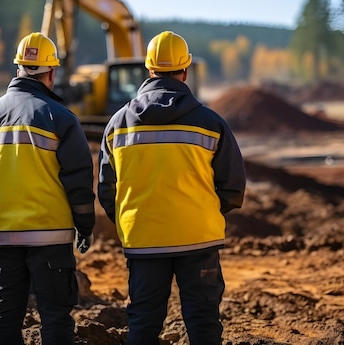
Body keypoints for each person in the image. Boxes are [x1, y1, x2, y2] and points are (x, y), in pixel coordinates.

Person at [98, 31, 246, 345]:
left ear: (148, 69)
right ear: (186, 70)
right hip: (198, 239)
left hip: (143, 239)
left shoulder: (118, 124)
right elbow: (232, 187)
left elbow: (106, 190)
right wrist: (200, 210)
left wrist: (132, 219)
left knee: (143, 323)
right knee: (203, 323)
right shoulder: (210, 122)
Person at [0, 32, 95, 345]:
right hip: (48, 236)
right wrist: (85, 225)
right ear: (51, 73)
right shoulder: (60, 118)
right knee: (54, 317)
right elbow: (78, 179)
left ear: (18, 70)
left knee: (5, 316)